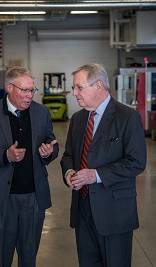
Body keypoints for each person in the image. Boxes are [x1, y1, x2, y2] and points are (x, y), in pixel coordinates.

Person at [0, 66, 59, 267]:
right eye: (24, 90)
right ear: (9, 87)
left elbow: (52, 143)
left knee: (29, 258)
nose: (29, 96)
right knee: (1, 259)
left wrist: (48, 153)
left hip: (33, 198)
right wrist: (4, 155)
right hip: (0, 199)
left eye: (32, 90)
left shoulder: (41, 112)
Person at [60, 63, 146, 267]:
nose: (74, 93)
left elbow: (136, 162)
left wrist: (96, 175)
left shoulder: (127, 117)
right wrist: (70, 172)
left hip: (114, 212)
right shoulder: (78, 118)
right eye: (74, 88)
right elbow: (68, 155)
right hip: (82, 210)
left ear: (98, 86)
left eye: (79, 87)